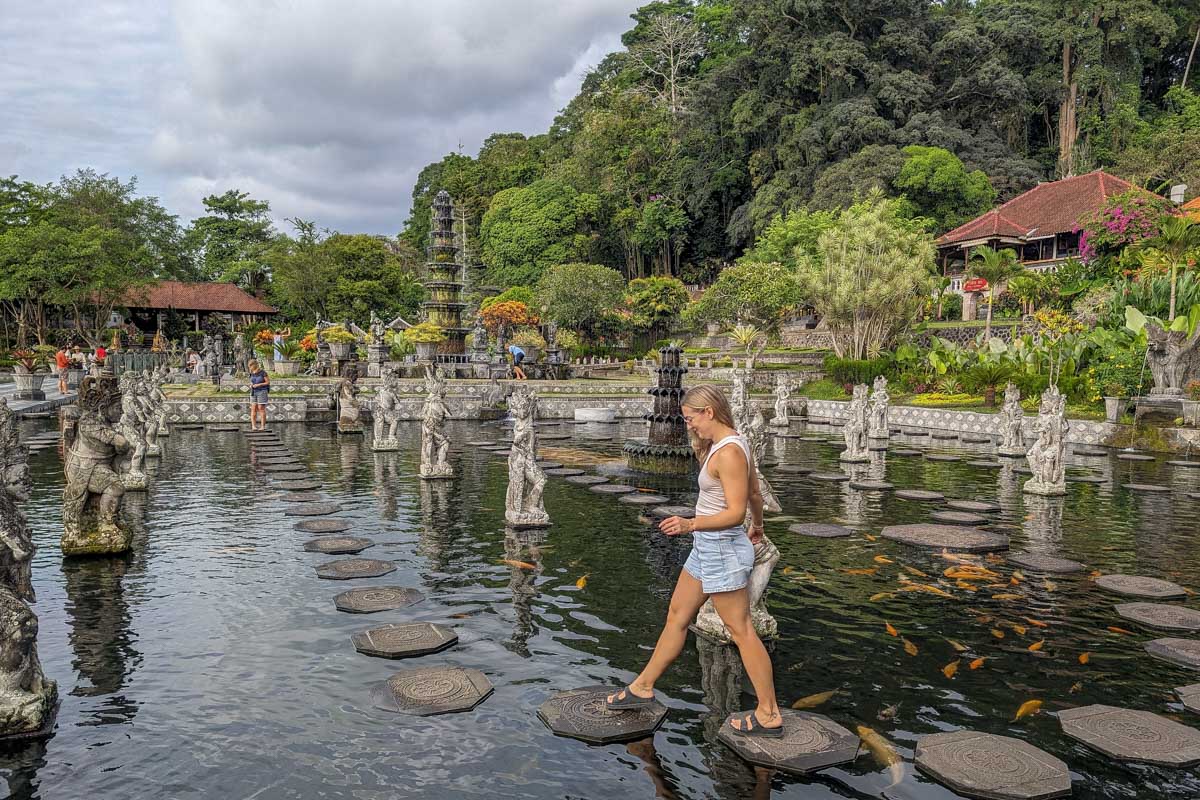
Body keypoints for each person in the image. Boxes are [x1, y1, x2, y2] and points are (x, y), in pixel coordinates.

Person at [606, 383, 782, 737]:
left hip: (720, 549)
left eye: (690, 418)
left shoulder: (729, 452)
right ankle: (643, 686)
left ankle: (769, 713)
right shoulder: (732, 443)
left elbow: (735, 512)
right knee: (677, 616)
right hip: (707, 548)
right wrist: (758, 526)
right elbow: (752, 495)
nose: (688, 426)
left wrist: (691, 523)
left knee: (742, 631)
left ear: (709, 412)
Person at [248, 359, 270, 430]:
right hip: (253, 392)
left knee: (261, 408)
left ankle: (262, 426)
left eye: (251, 366)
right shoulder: (251, 373)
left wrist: (259, 384)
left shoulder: (263, 372)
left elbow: (267, 382)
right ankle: (253, 426)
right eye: (249, 366)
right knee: (253, 408)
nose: (250, 368)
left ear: (255, 365)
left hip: (262, 391)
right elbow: (251, 381)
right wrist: (251, 385)